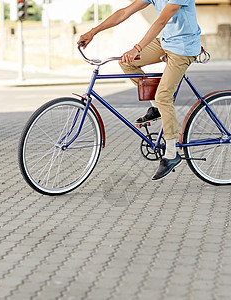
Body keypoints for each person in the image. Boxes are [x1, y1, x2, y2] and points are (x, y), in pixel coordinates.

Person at [77, 0, 201, 180]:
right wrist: (93, 32)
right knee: (126, 63)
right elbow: (124, 12)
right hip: (166, 41)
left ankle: (172, 153)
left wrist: (137, 48)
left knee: (164, 96)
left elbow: (161, 21)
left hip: (183, 47)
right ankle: (157, 108)